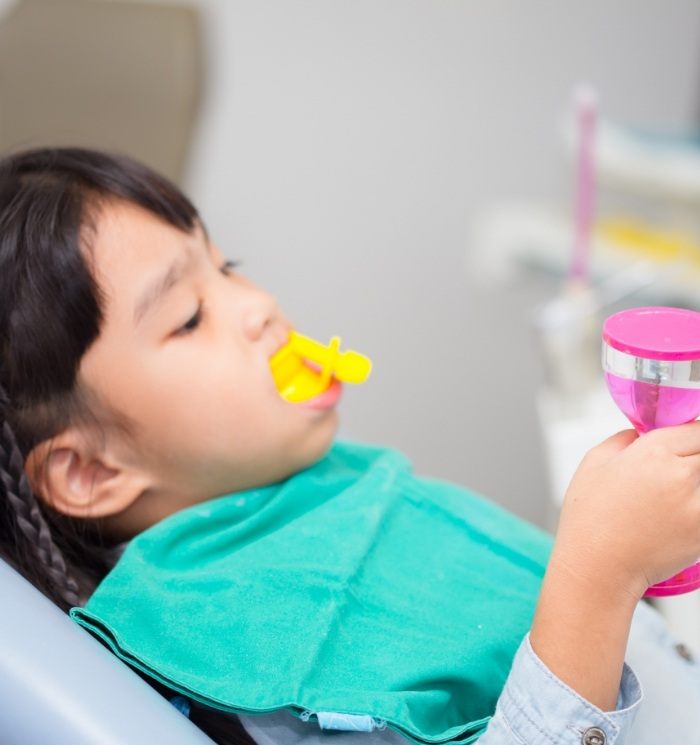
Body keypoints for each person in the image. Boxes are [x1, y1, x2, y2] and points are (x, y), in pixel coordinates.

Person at [2, 147, 700, 745]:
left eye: (227, 265)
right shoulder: (251, 655)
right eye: (189, 317)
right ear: (90, 470)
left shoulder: (296, 487)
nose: (257, 305)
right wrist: (599, 575)